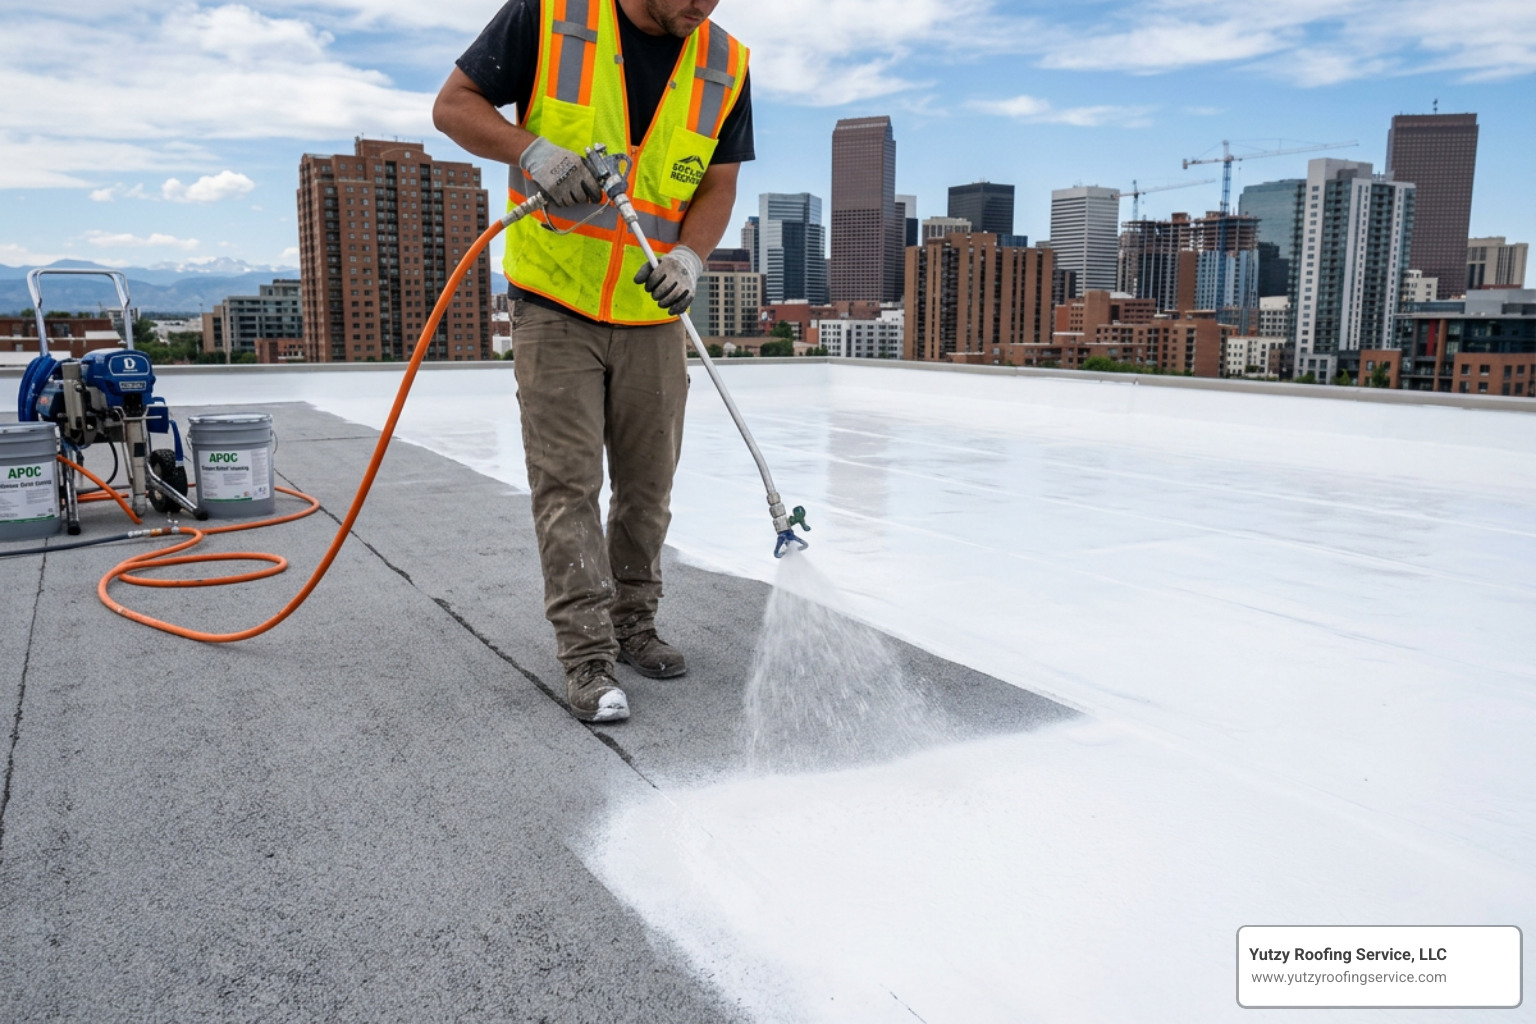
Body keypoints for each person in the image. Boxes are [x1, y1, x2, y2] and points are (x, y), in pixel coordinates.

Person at [433, 0, 753, 723]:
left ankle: (635, 625)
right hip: (555, 302)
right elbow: (453, 105)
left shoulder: (725, 62)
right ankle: (587, 656)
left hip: (651, 310)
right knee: (567, 485)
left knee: (648, 487)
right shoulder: (551, 14)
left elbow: (718, 182)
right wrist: (533, 152)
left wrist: (690, 257)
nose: (702, 7)